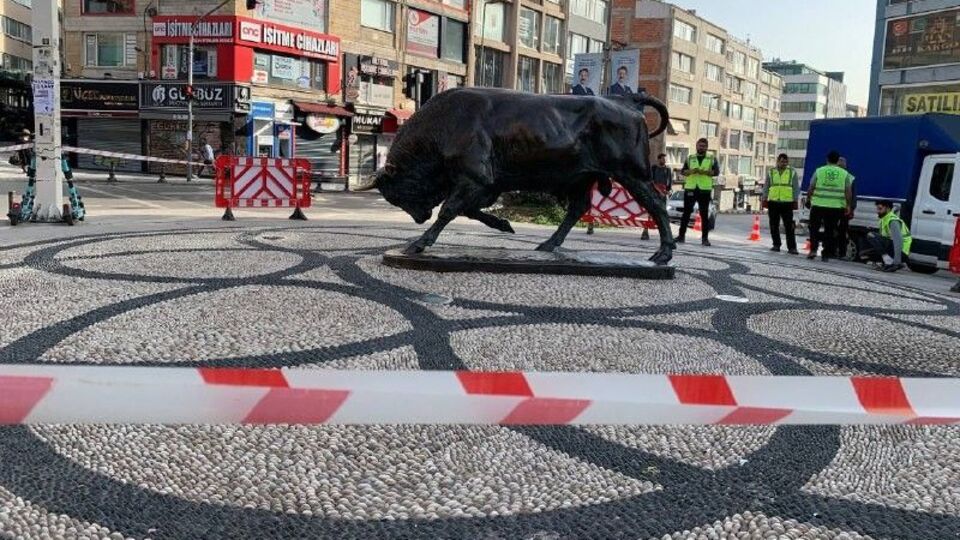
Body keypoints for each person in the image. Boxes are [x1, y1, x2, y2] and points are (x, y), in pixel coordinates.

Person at [806, 150, 853, 262]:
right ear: (838, 161)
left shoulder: (819, 171)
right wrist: (848, 205)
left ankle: (813, 250)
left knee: (814, 228)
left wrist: (808, 199)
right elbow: (848, 191)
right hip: (835, 207)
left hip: (818, 205)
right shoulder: (845, 174)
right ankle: (826, 254)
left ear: (827, 159)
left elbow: (811, 187)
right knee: (830, 231)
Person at [677, 138, 719, 246]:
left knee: (704, 215)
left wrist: (705, 172)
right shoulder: (690, 158)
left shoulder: (712, 158)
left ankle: (705, 239)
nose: (702, 148)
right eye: (700, 146)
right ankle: (681, 236)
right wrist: (691, 171)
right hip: (691, 188)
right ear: (696, 146)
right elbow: (683, 171)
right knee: (686, 213)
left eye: (704, 146)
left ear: (707, 147)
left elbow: (716, 172)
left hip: (704, 189)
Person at [762, 154, 800, 254]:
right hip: (773, 202)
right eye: (782, 161)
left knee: (789, 226)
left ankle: (792, 247)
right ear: (778, 161)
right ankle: (776, 245)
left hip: (787, 203)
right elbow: (766, 186)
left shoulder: (792, 172)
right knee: (774, 225)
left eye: (785, 162)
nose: (784, 164)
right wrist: (764, 198)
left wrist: (795, 200)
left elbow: (796, 187)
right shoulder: (771, 172)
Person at [860, 200, 911, 272]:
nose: (877, 211)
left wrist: (897, 262)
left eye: (880, 209)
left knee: (871, 235)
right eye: (877, 209)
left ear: (888, 209)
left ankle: (889, 261)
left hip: (901, 253)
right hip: (892, 249)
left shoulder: (893, 221)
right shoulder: (884, 219)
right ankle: (886, 262)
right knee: (863, 255)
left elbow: (898, 241)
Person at [642, 153, 672, 240]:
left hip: (663, 194)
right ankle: (645, 231)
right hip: (654, 193)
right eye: (663, 159)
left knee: (662, 213)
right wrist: (659, 191)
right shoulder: (654, 168)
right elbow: (651, 182)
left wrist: (668, 191)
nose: (664, 161)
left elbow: (669, 183)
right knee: (650, 212)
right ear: (659, 160)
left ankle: (664, 234)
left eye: (665, 159)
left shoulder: (668, 170)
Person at [836, 156, 857, 259]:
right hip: (835, 207)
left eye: (841, 165)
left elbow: (853, 195)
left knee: (842, 232)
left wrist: (851, 209)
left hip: (843, 208)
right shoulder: (838, 176)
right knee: (834, 231)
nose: (840, 167)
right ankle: (834, 251)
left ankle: (841, 253)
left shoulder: (849, 177)